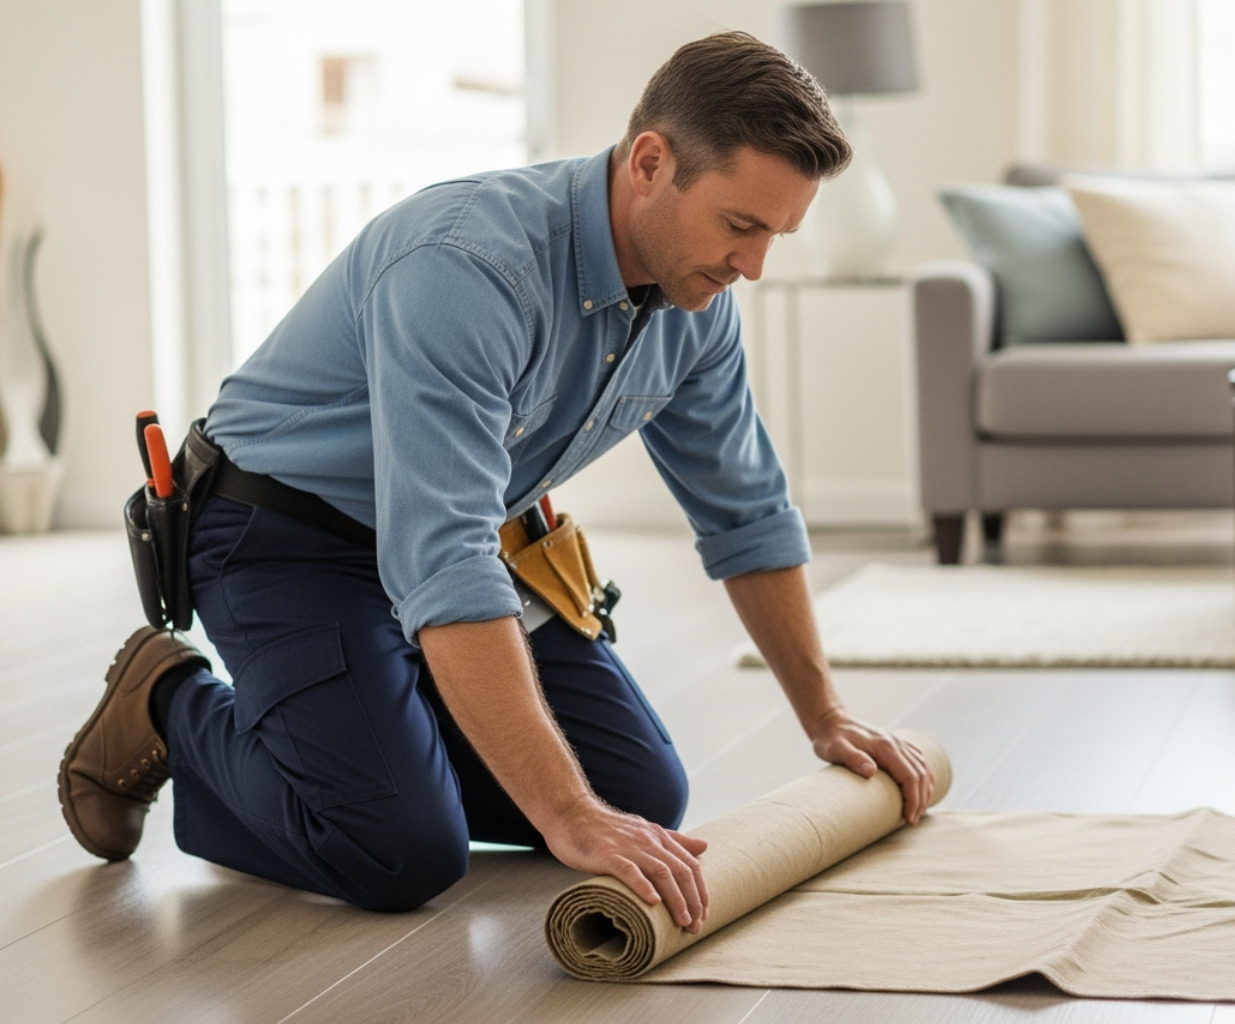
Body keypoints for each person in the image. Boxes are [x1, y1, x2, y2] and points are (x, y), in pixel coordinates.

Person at [58, 30, 935, 928]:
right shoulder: (468, 267)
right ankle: (169, 702)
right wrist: (564, 813)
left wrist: (826, 717)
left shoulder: (697, 304)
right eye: (741, 225)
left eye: (777, 235)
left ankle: (372, 725)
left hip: (459, 544)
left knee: (637, 792)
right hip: (280, 535)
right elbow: (442, 559)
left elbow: (744, 512)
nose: (753, 265)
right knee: (401, 848)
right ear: (649, 161)